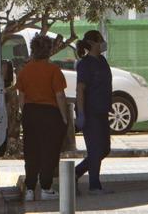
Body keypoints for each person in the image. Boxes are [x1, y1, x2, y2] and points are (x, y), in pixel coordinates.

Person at [15, 33, 69, 202]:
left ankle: (30, 188)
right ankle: (46, 187)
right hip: (50, 114)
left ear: (33, 50)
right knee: (49, 150)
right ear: (48, 50)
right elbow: (59, 95)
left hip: (30, 113)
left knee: (31, 150)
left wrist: (25, 114)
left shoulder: (24, 71)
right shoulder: (54, 70)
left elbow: (21, 96)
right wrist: (64, 117)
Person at [74, 30, 113, 195]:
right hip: (90, 113)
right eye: (101, 40)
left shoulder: (102, 61)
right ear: (92, 43)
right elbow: (80, 89)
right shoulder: (85, 64)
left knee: (104, 149)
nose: (103, 43)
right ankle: (94, 185)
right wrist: (81, 113)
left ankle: (75, 173)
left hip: (103, 111)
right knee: (95, 149)